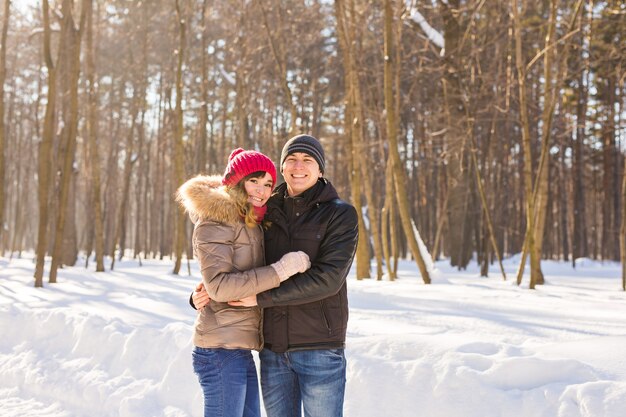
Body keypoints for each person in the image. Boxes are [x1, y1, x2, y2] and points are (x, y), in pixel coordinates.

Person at [193, 134, 359, 417]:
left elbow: (329, 279)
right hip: (272, 349)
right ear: (282, 168)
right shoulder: (266, 209)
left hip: (318, 346)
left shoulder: (339, 214)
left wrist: (259, 298)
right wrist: (203, 292)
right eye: (291, 159)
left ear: (320, 170)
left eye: (308, 160)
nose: (298, 166)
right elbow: (237, 263)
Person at [176, 148, 311, 417]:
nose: (261, 191)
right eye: (253, 181)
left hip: (238, 347)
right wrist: (280, 270)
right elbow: (220, 286)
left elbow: (222, 275)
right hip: (220, 350)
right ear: (237, 181)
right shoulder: (218, 220)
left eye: (267, 184)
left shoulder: (248, 220)